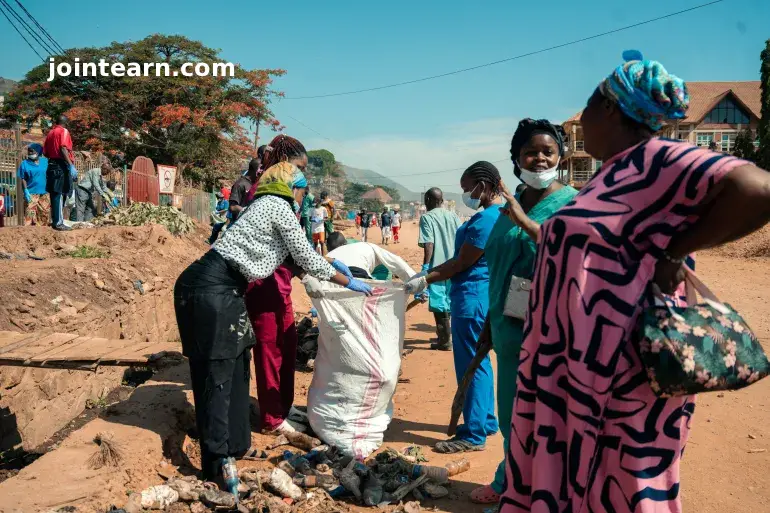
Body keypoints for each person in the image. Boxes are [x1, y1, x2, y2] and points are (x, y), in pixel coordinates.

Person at [497, 51, 770, 513]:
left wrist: (674, 249)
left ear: (607, 108)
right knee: (575, 477)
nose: (581, 122)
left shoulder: (656, 158)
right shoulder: (614, 174)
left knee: (626, 484)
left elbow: (759, 188)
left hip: (619, 370)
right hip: (572, 366)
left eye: (586, 109)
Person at [174, 158, 371, 483]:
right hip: (208, 288)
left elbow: (297, 256)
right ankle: (216, 466)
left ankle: (237, 446)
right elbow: (305, 255)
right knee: (218, 377)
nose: (302, 198)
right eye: (300, 191)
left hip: (228, 289)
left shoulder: (266, 209)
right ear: (288, 187)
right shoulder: (275, 206)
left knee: (238, 370)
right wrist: (345, 280)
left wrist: (332, 267)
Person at [468, 119, 579, 505]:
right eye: (530, 151)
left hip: (553, 329)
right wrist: (488, 322)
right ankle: (510, 481)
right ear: (516, 157)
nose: (539, 158)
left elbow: (579, 258)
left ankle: (540, 489)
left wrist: (528, 225)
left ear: (561, 156)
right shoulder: (506, 206)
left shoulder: (574, 203)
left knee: (548, 416)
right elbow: (499, 270)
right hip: (507, 325)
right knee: (511, 411)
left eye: (547, 151)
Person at [407, 162, 502, 453]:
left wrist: (426, 277)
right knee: (480, 362)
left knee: (471, 365)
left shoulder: (487, 220)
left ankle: (474, 434)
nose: (465, 194)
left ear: (483, 187)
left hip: (472, 298)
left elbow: (462, 262)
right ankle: (484, 421)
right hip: (476, 295)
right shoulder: (491, 215)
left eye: (467, 188)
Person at [416, 188, 461, 351]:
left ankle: (444, 340)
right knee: (451, 301)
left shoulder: (427, 218)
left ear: (428, 199)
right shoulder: (453, 216)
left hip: (438, 268)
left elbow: (429, 244)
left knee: (439, 303)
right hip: (456, 266)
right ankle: (451, 337)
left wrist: (425, 268)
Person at [326, 231, 416, 281]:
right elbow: (396, 261)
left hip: (380, 270)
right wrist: (416, 282)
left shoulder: (327, 257)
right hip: (362, 275)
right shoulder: (365, 245)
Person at [43, 115, 74, 231]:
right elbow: (63, 148)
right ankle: (59, 222)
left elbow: (45, 152)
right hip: (61, 165)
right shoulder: (64, 131)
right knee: (60, 194)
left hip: (51, 164)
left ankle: (55, 220)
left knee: (54, 193)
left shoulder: (50, 133)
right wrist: (70, 164)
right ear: (65, 123)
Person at [229, 145, 268, 222]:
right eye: (261, 170)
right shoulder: (240, 184)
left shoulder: (258, 184)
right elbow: (232, 207)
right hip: (238, 225)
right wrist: (250, 211)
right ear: (256, 170)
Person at [17, 143, 50, 226]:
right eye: (29, 152)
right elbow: (23, 178)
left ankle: (42, 233)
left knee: (44, 214)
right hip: (31, 193)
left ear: (38, 152)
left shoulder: (45, 162)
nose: (30, 154)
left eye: (32, 151)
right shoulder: (25, 163)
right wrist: (25, 190)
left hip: (45, 192)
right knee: (30, 215)